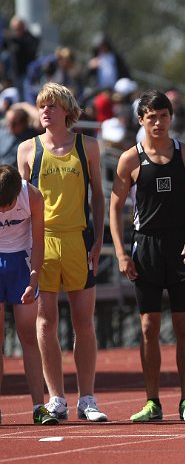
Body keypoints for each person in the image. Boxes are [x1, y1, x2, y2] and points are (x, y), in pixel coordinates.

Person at [109, 90, 185, 422]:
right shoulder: (130, 159)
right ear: (141, 120)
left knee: (183, 325)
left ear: (171, 118)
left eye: (164, 116)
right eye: (151, 116)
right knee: (149, 326)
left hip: (181, 247)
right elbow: (114, 207)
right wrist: (122, 253)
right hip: (146, 247)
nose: (158, 122)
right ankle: (152, 401)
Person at [16, 82, 108, 422]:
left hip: (78, 240)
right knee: (46, 321)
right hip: (43, 242)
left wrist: (98, 240)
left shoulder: (88, 147)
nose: (44, 111)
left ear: (67, 111)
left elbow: (98, 195)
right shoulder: (27, 149)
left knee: (84, 323)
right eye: (42, 106)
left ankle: (88, 398)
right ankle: (56, 397)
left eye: (51, 106)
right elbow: (22, 203)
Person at [0, 165, 57, 425]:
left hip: (21, 262)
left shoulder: (32, 195)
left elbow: (38, 239)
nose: (3, 211)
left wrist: (34, 279)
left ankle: (38, 406)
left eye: (7, 205)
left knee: (28, 335)